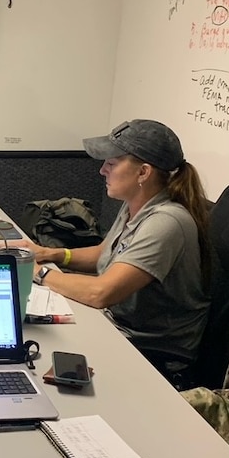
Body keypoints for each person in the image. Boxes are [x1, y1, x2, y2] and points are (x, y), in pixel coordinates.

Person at [23, 119, 210, 382]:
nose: (102, 171)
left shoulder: (165, 223)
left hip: (149, 351)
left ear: (143, 173)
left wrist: (37, 272)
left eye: (111, 163)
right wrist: (51, 254)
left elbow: (101, 293)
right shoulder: (137, 201)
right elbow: (106, 253)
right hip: (117, 323)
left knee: (36, 352)